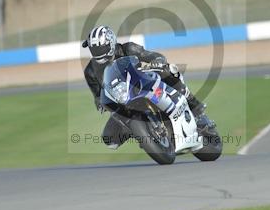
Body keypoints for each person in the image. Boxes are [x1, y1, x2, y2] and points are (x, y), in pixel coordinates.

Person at [82, 25, 211, 149]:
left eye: (101, 48)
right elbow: (98, 95)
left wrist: (157, 61)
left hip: (143, 82)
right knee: (109, 138)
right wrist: (101, 103)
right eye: (95, 50)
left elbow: (155, 56)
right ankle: (143, 134)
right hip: (122, 98)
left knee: (169, 71)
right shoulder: (91, 71)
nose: (98, 53)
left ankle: (194, 105)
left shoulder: (129, 48)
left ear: (110, 42)